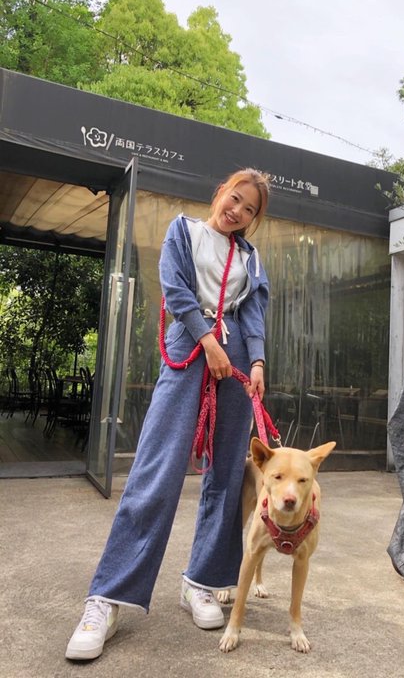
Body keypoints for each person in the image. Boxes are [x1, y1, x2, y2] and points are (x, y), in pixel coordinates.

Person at [65, 168, 270, 661]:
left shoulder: (250, 256)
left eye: (249, 209)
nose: (238, 211)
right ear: (220, 192)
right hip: (190, 349)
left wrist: (258, 361)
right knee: (157, 469)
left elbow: (253, 310)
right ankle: (108, 596)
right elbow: (175, 289)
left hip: (237, 361)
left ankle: (203, 581)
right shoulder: (184, 231)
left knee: (226, 475)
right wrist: (207, 340)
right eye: (235, 198)